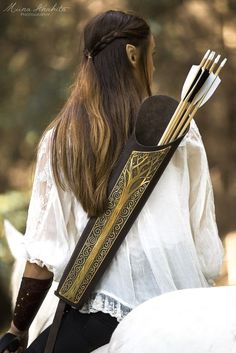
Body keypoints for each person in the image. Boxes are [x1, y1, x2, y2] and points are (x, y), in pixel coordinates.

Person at [3, 9, 223, 353]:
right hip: (182, 301)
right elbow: (204, 243)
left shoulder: (62, 137)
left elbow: (43, 255)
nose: (152, 67)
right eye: (152, 56)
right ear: (133, 55)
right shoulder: (183, 131)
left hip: (99, 316)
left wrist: (17, 329)